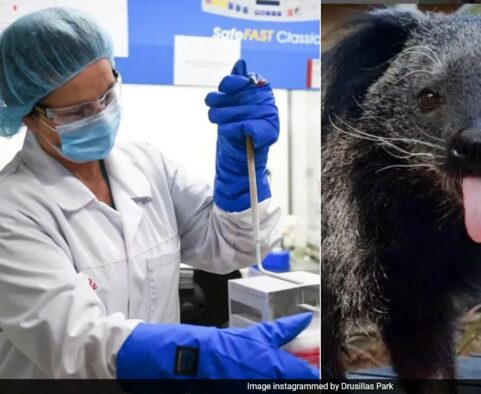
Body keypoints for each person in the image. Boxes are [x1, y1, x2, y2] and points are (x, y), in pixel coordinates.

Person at [0, 7, 318, 379]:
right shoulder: (12, 209)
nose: (100, 114)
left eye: (107, 94)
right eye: (77, 111)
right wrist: (204, 355)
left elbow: (234, 248)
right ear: (28, 115)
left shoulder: (148, 166)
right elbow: (78, 341)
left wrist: (242, 169)